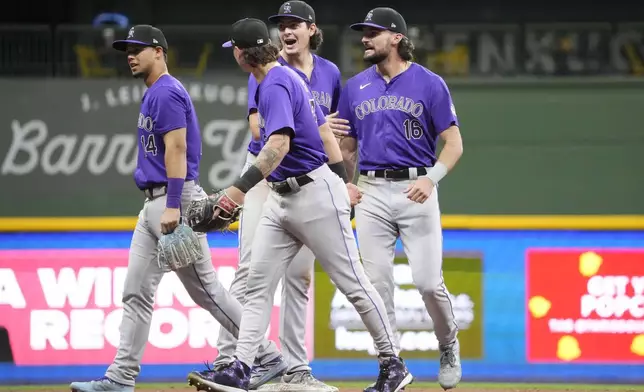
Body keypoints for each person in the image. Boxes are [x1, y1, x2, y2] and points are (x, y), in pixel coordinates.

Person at [187, 17, 413, 392]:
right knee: (258, 284)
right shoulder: (285, 78)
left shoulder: (275, 82)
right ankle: (242, 366)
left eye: (235, 50)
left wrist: (237, 190)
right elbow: (324, 131)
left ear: (243, 53)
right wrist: (344, 180)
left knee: (353, 283)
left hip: (312, 195)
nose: (235, 56)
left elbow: (277, 146)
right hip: (283, 197)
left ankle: (393, 362)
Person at [68, 24, 285, 392]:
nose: (131, 55)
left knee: (207, 292)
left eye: (139, 48)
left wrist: (172, 206)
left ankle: (266, 355)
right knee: (136, 291)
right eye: (127, 50)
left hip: (175, 200)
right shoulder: (155, 92)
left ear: (160, 51)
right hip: (153, 205)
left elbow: (178, 150)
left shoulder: (167, 92)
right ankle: (120, 378)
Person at [212, 2, 345, 391]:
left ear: (310, 29)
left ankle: (294, 368)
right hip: (264, 174)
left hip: (307, 179)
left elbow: (332, 132)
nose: (286, 31)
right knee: (250, 268)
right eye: (281, 25)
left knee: (300, 276)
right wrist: (302, 119)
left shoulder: (330, 73)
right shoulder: (266, 71)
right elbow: (258, 131)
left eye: (294, 24)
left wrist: (340, 175)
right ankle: (230, 358)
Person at [334, 7, 464, 391]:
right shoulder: (354, 86)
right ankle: (391, 364)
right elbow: (347, 146)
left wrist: (432, 178)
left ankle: (448, 344)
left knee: (427, 283)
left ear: (395, 38)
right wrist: (346, 183)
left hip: (416, 189)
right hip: (372, 190)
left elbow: (454, 144)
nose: (364, 39)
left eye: (372, 32)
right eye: (363, 32)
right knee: (376, 285)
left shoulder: (429, 83)